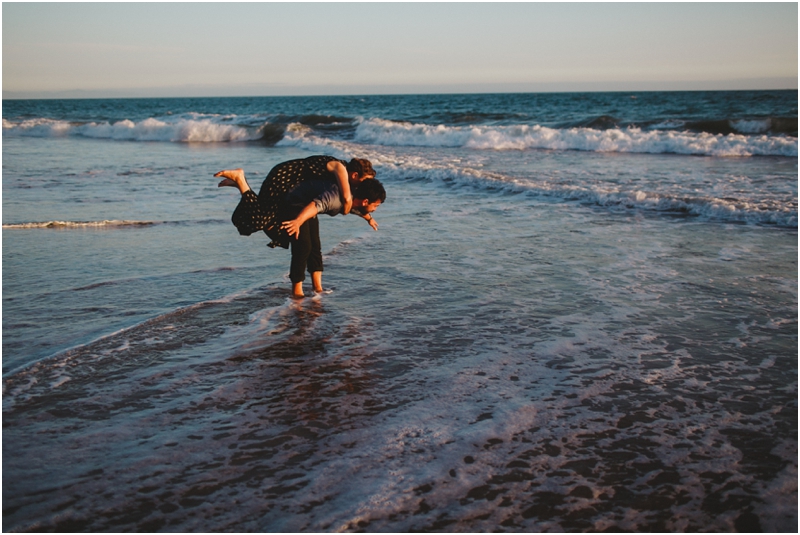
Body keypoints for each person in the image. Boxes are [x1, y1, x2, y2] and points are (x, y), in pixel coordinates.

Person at [216, 167, 386, 298]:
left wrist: (368, 218)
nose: (375, 209)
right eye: (375, 205)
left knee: (315, 245)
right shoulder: (336, 197)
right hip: (293, 201)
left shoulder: (353, 197)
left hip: (306, 202)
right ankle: (297, 292)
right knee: (302, 245)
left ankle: (317, 287)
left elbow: (355, 208)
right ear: (365, 201)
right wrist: (297, 221)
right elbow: (316, 206)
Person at [218, 155, 377, 248]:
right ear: (355, 175)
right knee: (260, 218)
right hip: (283, 178)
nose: (365, 186)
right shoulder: (340, 168)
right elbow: (347, 200)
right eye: (364, 181)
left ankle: (240, 184)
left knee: (267, 218)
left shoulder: (343, 172)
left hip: (290, 184)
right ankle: (240, 179)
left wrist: (367, 217)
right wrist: (351, 211)